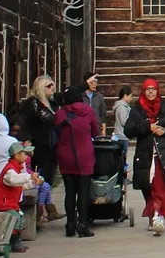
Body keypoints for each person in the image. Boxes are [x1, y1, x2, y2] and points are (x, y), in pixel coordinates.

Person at [125, 78, 165, 235]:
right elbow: (128, 131)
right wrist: (147, 127)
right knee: (147, 186)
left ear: (157, 91)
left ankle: (159, 217)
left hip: (163, 154)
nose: (151, 92)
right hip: (145, 155)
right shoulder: (137, 110)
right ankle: (153, 213)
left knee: (162, 187)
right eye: (147, 89)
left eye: (153, 89)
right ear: (143, 92)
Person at [13, 76, 61, 223]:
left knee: (49, 177)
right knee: (39, 178)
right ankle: (40, 212)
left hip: (51, 145)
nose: (52, 87)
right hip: (37, 147)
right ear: (41, 87)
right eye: (49, 85)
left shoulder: (52, 103)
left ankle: (49, 208)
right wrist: (26, 142)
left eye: (53, 85)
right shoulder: (31, 103)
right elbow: (22, 123)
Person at [54, 88, 100, 238]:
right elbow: (95, 132)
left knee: (70, 192)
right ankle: (83, 224)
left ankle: (70, 225)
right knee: (83, 192)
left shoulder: (61, 113)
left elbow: (57, 131)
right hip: (84, 156)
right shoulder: (88, 111)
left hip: (66, 156)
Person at [0, 141, 34, 252]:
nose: (26, 156)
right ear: (16, 156)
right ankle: (12, 243)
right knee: (15, 218)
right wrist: (29, 176)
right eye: (24, 154)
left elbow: (20, 185)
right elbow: (14, 180)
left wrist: (33, 183)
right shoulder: (10, 170)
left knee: (20, 217)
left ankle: (16, 241)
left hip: (9, 203)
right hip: (1, 203)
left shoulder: (16, 168)